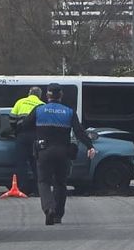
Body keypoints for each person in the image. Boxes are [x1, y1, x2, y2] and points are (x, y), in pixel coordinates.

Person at [33, 84, 96, 225]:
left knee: (43, 182)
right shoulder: (69, 112)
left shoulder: (38, 110)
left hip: (44, 152)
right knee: (60, 184)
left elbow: (25, 126)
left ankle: (49, 208)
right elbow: (79, 132)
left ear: (47, 96)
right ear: (60, 95)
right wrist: (90, 146)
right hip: (63, 153)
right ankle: (57, 215)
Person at [9, 86, 46, 196]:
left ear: (29, 93)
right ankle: (38, 190)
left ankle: (23, 189)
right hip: (36, 136)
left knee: (21, 163)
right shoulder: (42, 105)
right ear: (39, 95)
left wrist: (15, 129)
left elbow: (11, 118)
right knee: (36, 164)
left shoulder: (20, 102)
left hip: (22, 136)